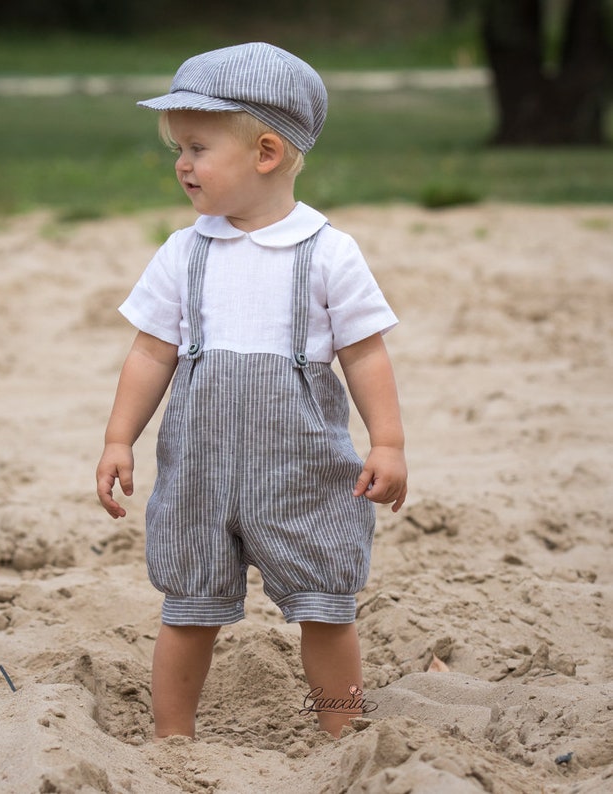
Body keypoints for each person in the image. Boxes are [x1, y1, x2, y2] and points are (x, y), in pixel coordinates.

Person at [96, 42, 407, 739]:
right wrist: (121, 436)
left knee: (326, 606)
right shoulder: (184, 253)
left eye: (198, 146)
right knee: (189, 608)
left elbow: (364, 353)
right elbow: (151, 351)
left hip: (302, 473)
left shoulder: (327, 252)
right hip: (198, 473)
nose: (181, 163)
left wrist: (387, 440)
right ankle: (173, 738)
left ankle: (339, 731)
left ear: (266, 152)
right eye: (179, 147)